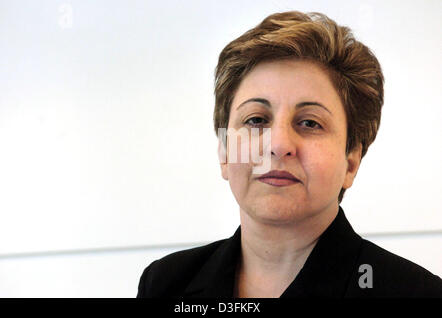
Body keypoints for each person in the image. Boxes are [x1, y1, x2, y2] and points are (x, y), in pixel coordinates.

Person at [137, 10, 442, 298]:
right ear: (225, 151)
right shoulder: (166, 283)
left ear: (351, 161)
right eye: (256, 120)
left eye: (310, 123)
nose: (279, 144)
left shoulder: (414, 292)